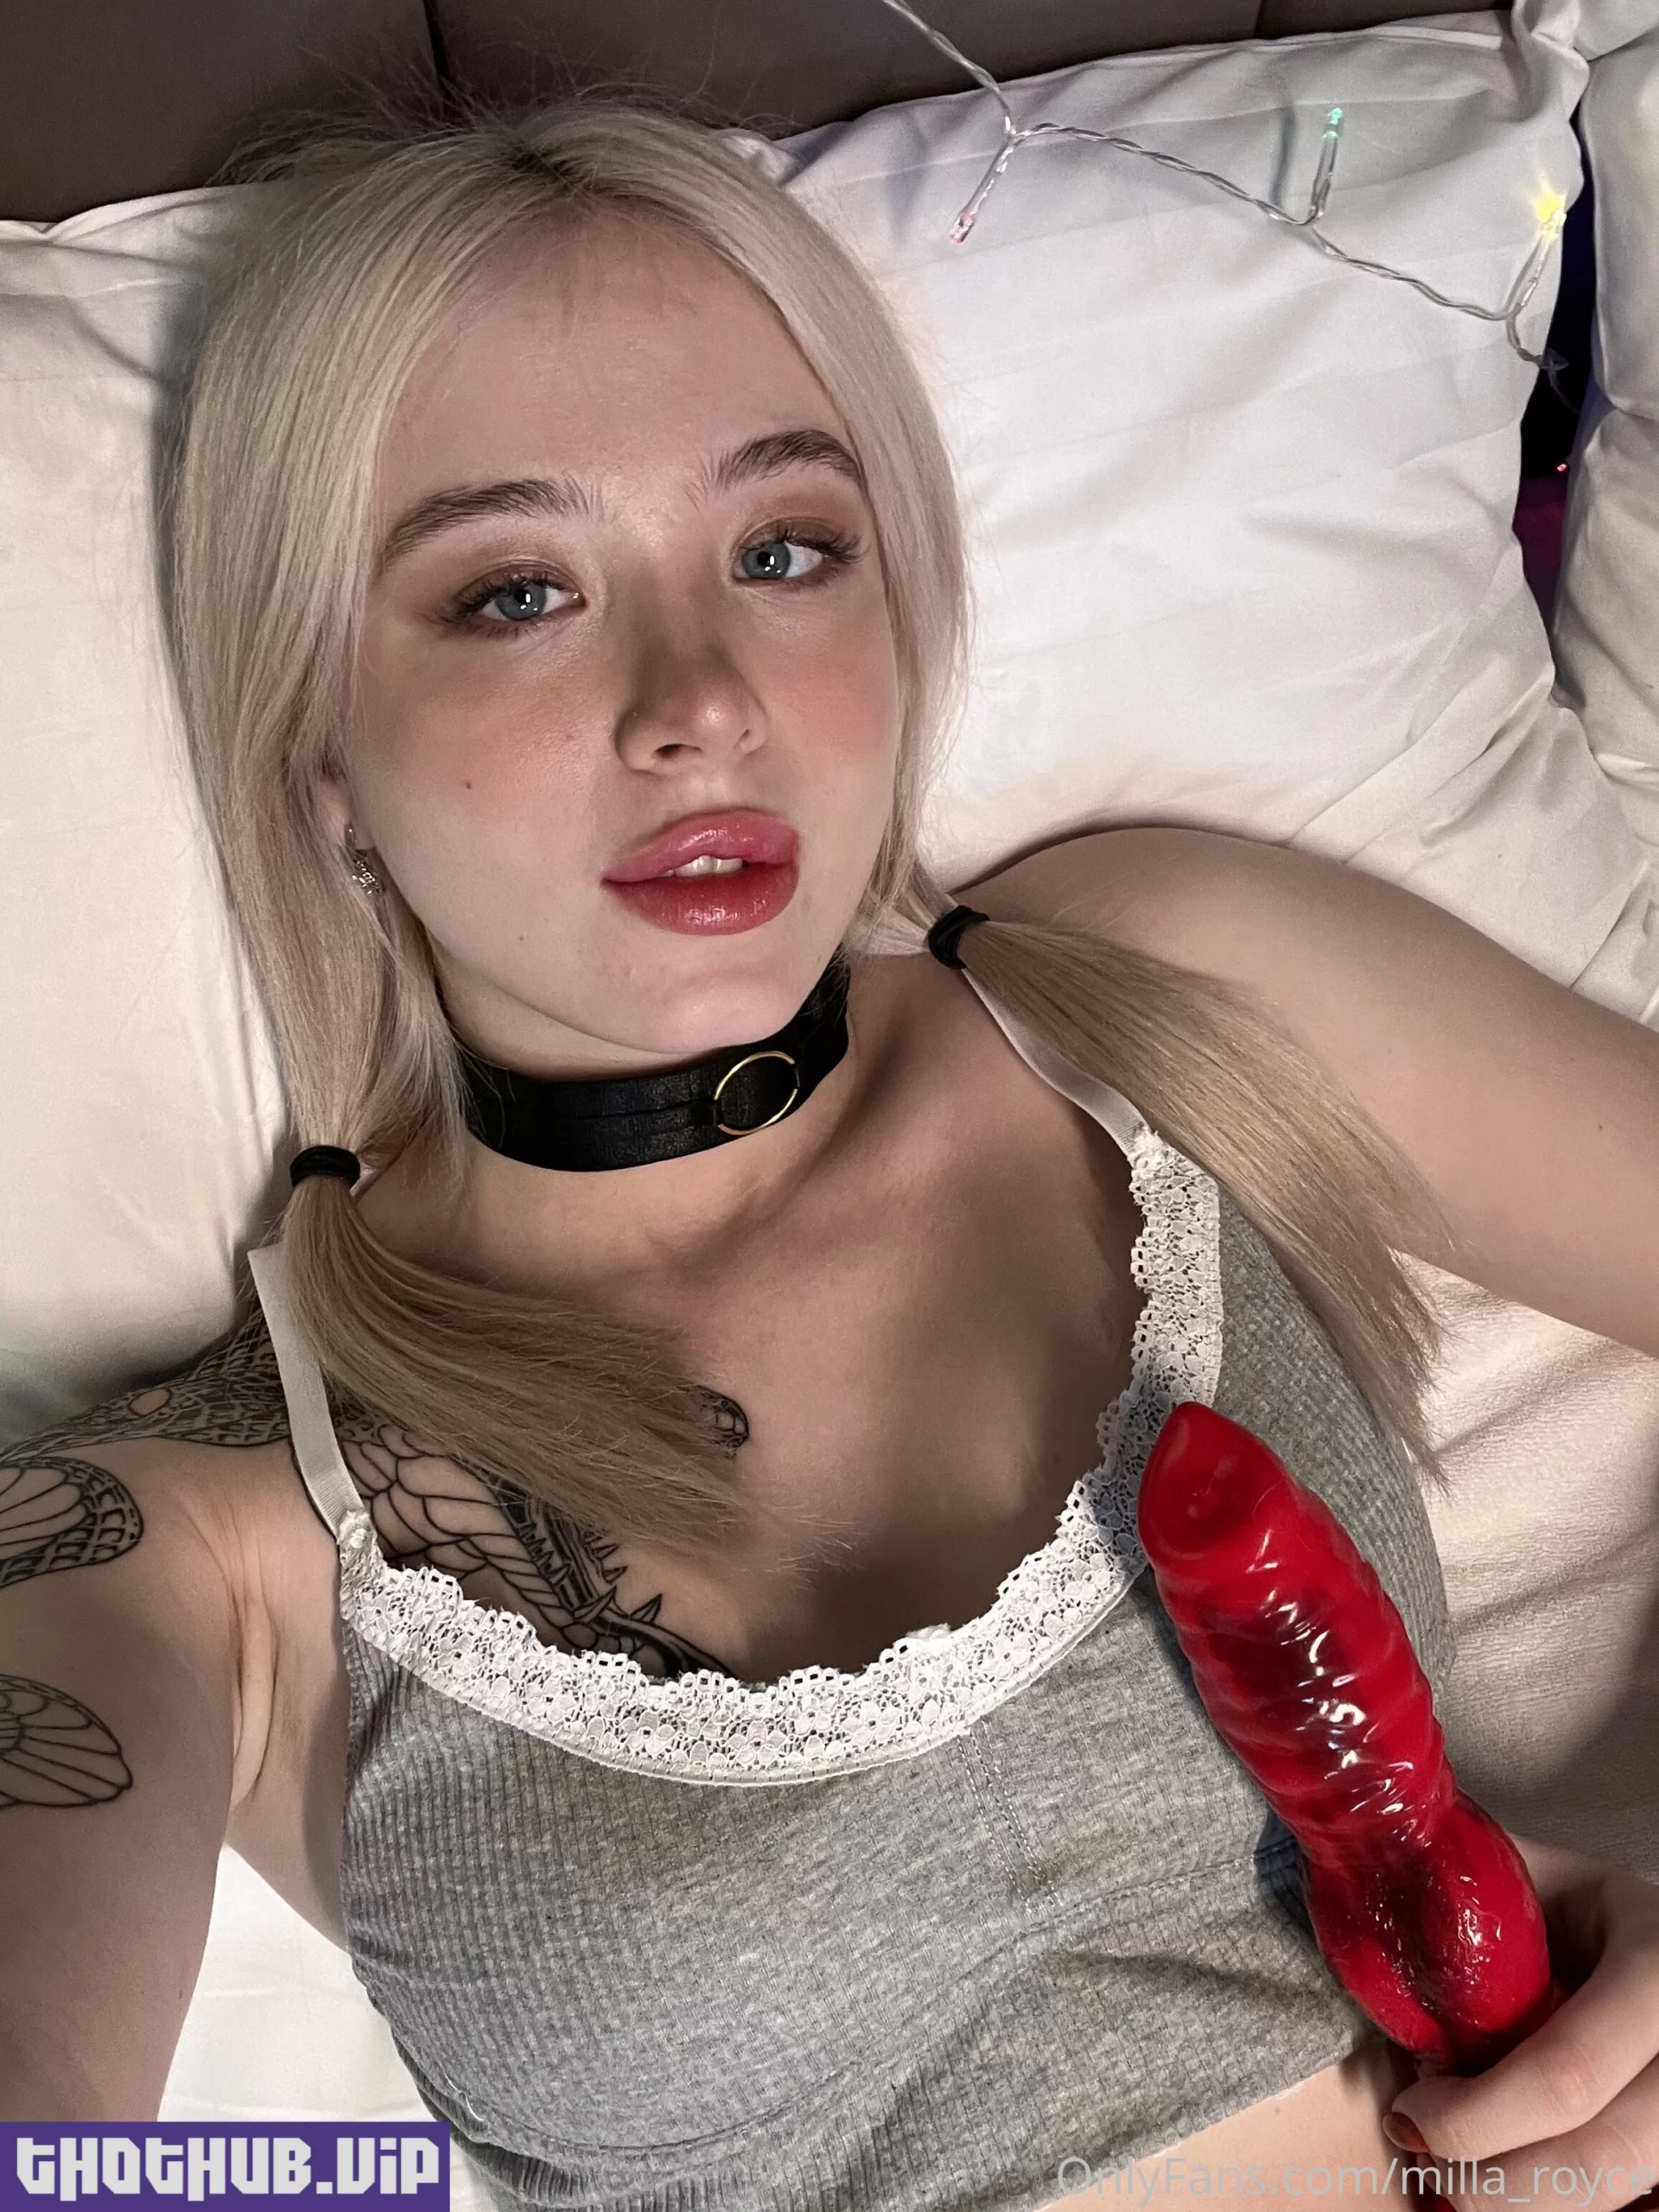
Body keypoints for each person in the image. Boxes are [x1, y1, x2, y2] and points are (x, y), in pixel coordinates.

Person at [3, 94, 1657, 2212]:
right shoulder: (181, 1535)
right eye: (516, 590)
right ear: (321, 748)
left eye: (785, 551)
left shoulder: (1159, 996)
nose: (704, 697)